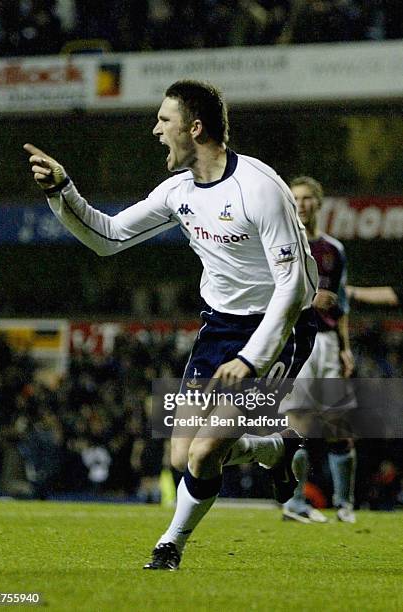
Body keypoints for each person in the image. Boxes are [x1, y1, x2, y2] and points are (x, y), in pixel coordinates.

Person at [24, 80, 318, 570]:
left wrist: (251, 359)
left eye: (164, 120)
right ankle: (276, 449)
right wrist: (63, 190)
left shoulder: (261, 189)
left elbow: (291, 291)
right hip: (219, 329)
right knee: (182, 458)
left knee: (204, 456)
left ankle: (170, 545)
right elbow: (109, 236)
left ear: (195, 128)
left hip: (278, 328)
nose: (155, 129)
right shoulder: (179, 191)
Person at [279, 176, 357, 524]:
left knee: (339, 425)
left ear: (318, 203)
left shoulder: (333, 250)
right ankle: (294, 502)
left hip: (326, 343)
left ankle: (345, 503)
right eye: (296, 197)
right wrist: (309, 300)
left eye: (308, 198)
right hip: (296, 340)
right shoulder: (280, 244)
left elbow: (341, 305)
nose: (302, 203)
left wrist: (345, 348)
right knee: (298, 424)